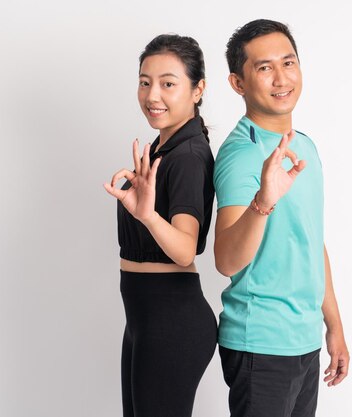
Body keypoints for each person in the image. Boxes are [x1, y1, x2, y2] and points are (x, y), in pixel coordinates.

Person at [213, 19, 351, 417]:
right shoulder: (242, 154)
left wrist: (334, 326)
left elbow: (310, 239)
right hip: (261, 343)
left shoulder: (303, 145)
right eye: (264, 67)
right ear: (238, 83)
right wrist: (262, 201)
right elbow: (226, 260)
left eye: (288, 63)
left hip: (303, 340)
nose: (281, 78)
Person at [103, 34, 217, 417]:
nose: (153, 95)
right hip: (147, 319)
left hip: (171, 322)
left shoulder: (186, 156)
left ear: (197, 89)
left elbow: (185, 248)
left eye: (168, 83)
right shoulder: (163, 148)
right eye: (145, 81)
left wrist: (147, 214)